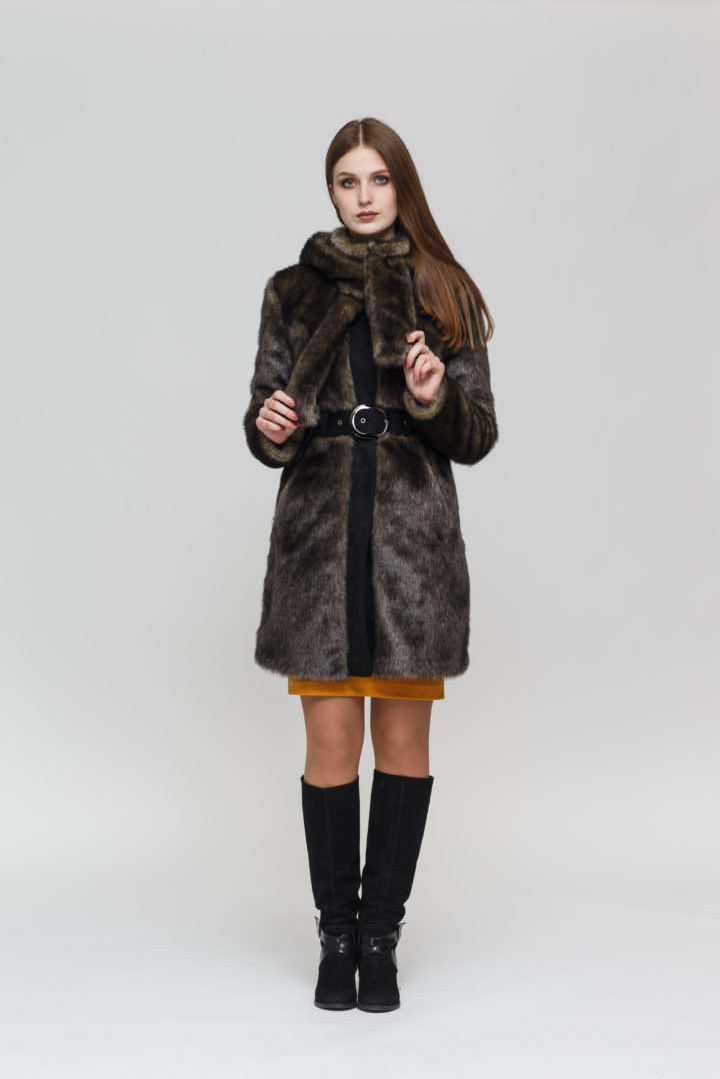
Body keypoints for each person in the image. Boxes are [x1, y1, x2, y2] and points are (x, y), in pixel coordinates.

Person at [244, 117, 498, 1012]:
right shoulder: (290, 291)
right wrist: (270, 427)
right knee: (329, 746)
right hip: (318, 549)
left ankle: (382, 938)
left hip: (409, 556)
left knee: (401, 745)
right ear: (331, 190)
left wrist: (432, 397)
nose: (363, 195)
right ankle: (337, 936)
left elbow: (478, 434)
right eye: (347, 180)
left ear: (401, 186)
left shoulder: (442, 291)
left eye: (378, 179)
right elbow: (265, 418)